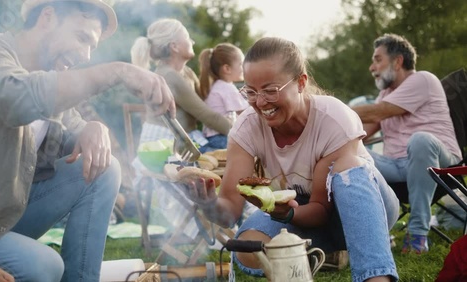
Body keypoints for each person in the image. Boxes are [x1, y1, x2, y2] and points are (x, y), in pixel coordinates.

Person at [0, 0, 175, 281]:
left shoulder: (52, 78)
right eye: (82, 38)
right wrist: (117, 71)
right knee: (44, 266)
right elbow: (17, 100)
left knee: (106, 168)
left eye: (93, 46)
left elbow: (72, 127)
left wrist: (92, 128)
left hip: (6, 217)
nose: (87, 55)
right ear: (48, 17)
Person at [184, 37, 400, 282]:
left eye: (270, 90)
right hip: (304, 217)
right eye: (251, 92)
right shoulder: (246, 128)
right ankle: (306, 261)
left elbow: (320, 209)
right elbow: (230, 212)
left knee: (349, 167)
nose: (260, 102)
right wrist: (208, 203)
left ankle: (375, 277)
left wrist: (287, 215)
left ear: (300, 82)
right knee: (248, 246)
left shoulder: (334, 118)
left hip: (364, 205)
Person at [351, 33, 462, 254]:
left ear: (398, 61)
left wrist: (333, 110)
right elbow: (364, 131)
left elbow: (379, 112)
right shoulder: (385, 94)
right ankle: (372, 233)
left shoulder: (422, 80)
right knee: (350, 152)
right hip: (396, 167)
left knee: (420, 139)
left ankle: (418, 234)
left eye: (377, 59)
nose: (372, 67)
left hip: (439, 167)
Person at [130, 18, 232, 151]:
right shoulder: (169, 76)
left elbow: (208, 102)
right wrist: (242, 132)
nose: (192, 42)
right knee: (232, 151)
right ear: (174, 47)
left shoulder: (186, 72)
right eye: (188, 38)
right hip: (163, 146)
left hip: (184, 140)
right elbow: (206, 115)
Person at [198, 43, 249, 152]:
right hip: (221, 138)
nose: (244, 68)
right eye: (241, 64)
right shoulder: (226, 87)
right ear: (227, 68)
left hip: (212, 138)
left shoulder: (218, 85)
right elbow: (246, 112)